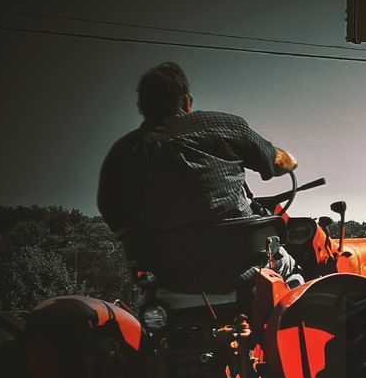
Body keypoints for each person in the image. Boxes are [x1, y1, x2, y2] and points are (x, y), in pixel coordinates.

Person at [96, 61, 302, 284]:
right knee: (292, 267)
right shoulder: (224, 126)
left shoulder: (122, 153)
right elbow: (276, 161)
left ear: (142, 107)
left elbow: (112, 211)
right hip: (245, 262)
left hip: (173, 274)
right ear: (185, 102)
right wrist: (290, 161)